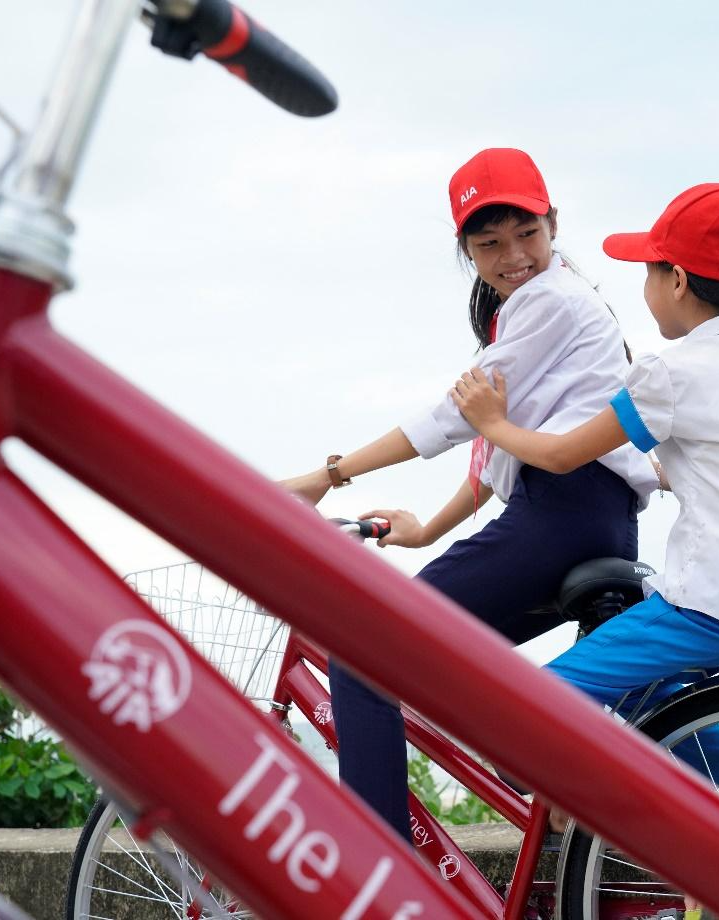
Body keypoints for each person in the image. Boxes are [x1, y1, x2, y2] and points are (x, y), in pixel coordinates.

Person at [279, 148, 658, 840]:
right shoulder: (565, 300)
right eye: (489, 243)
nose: (513, 255)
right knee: (484, 681)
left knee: (366, 650)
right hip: (592, 520)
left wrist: (327, 475)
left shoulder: (547, 299)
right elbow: (491, 453)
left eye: (528, 235)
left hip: (557, 517)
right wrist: (425, 531)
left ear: (553, 224)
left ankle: (382, 872)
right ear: (466, 250)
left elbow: (455, 420)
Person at [450, 182, 719, 848]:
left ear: (677, 279)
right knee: (639, 691)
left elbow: (567, 454)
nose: (645, 286)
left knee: (537, 703)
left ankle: (595, 819)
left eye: (649, 271)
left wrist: (490, 421)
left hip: (710, 602)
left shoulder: (668, 372)